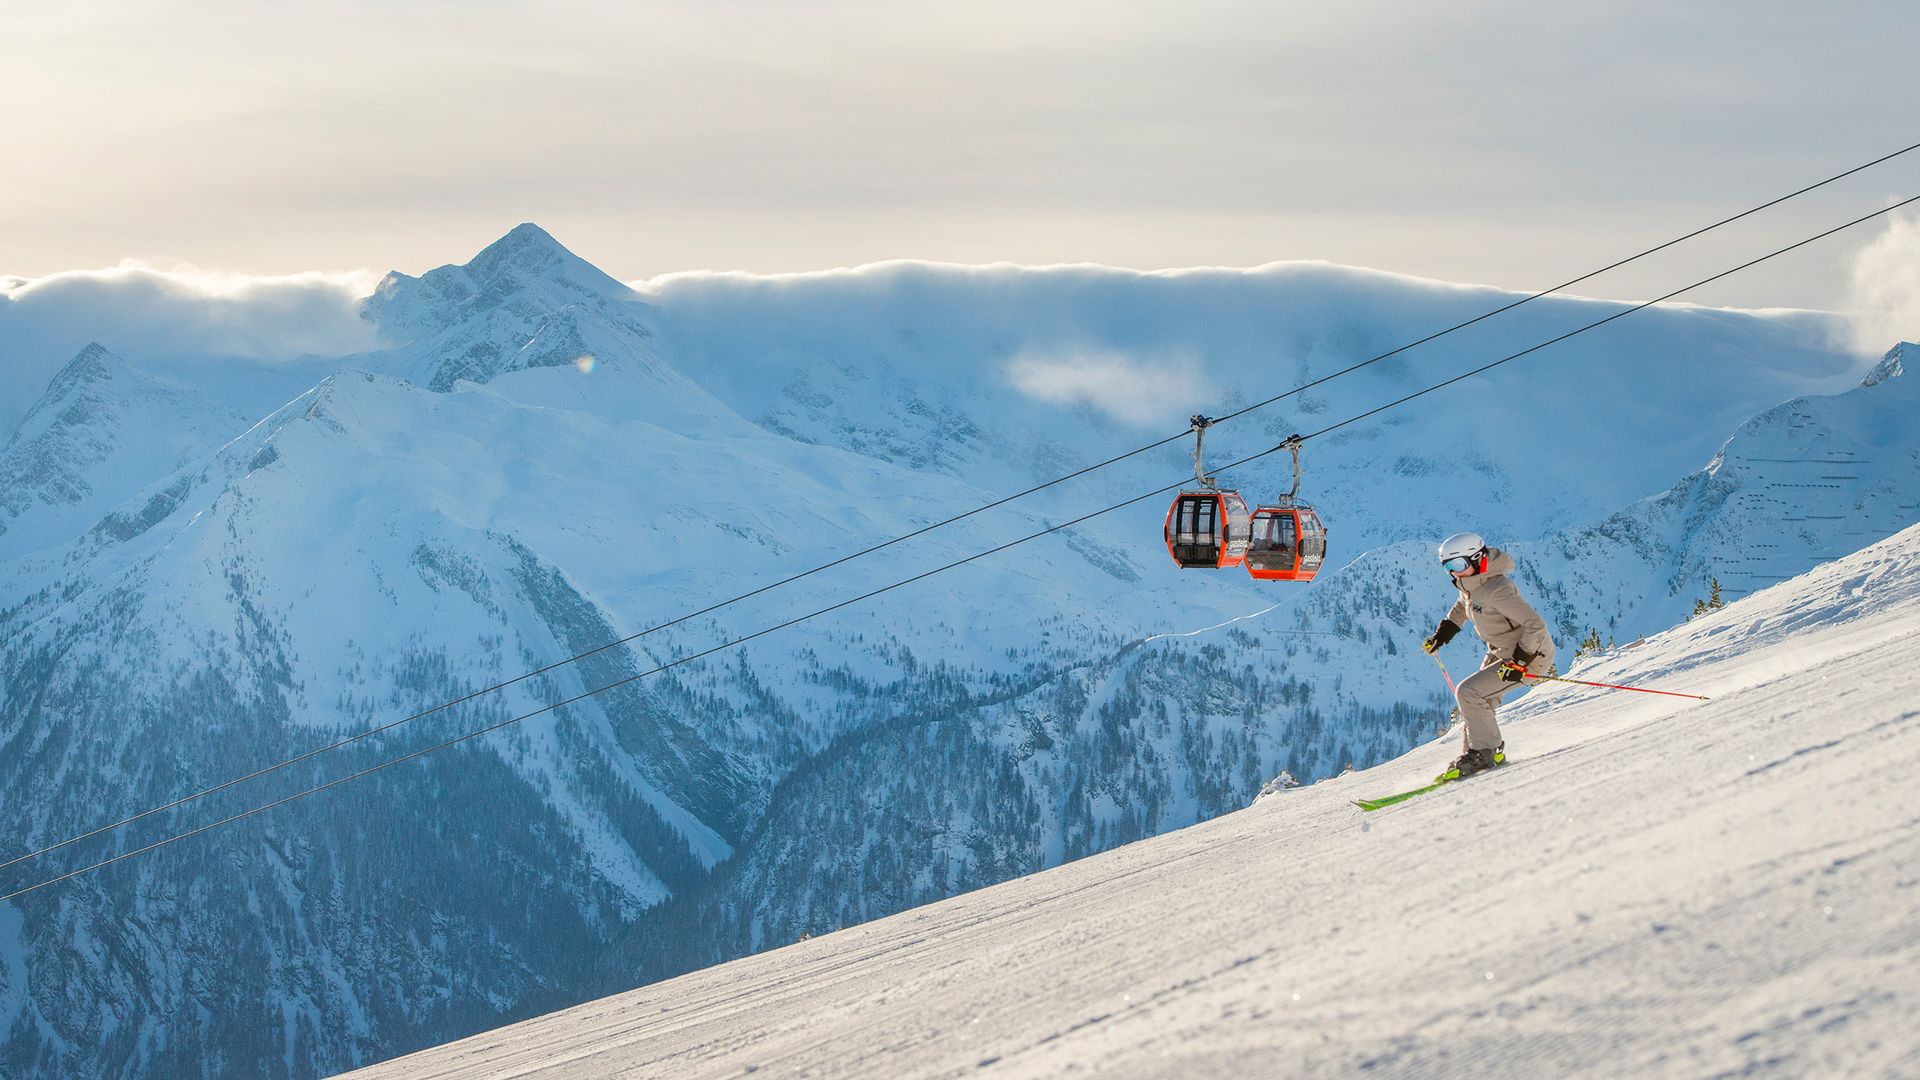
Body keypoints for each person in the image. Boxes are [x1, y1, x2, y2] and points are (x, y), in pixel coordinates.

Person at [1421, 531, 1555, 780]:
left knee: (1468, 692)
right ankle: (1475, 754)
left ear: (1476, 558)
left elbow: (1535, 625)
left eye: (1458, 565)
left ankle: (1484, 752)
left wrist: (1521, 661)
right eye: (1448, 567)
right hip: (1501, 652)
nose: (1453, 572)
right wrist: (1443, 634)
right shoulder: (1471, 585)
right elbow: (1463, 607)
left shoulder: (1497, 589)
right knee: (1477, 703)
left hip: (1530, 655)